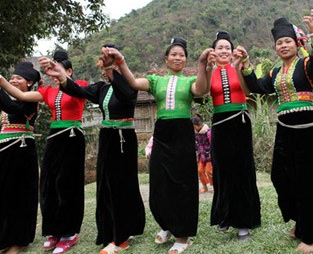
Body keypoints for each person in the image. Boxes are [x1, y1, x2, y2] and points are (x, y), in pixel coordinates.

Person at [101, 37, 212, 254]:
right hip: (161, 133)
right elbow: (133, 83)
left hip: (181, 133)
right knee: (160, 182)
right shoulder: (155, 80)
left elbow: (201, 89)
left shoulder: (188, 81)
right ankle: (167, 225)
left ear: (186, 59)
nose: (177, 57)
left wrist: (202, 65)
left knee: (183, 183)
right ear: (166, 59)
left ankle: (182, 235)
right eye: (174, 54)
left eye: (182, 55)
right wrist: (120, 61)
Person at [235, 18, 313, 253]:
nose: (283, 45)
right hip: (284, 127)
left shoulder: (306, 64)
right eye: (279, 42)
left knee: (308, 178)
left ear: (295, 42)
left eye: (287, 41)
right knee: (281, 175)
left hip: (306, 126)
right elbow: (257, 87)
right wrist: (246, 63)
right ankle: (300, 220)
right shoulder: (275, 71)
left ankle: (309, 235)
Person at [41, 43, 146, 254]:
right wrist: (61, 75)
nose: (104, 69)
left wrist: (114, 66)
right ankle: (114, 230)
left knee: (122, 186)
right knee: (105, 187)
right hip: (107, 138)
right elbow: (76, 90)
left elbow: (125, 95)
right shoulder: (100, 88)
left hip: (124, 138)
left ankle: (122, 238)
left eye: (109, 65)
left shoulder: (129, 86)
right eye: (103, 65)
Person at [0, 50, 88, 254]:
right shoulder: (48, 92)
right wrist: (3, 82)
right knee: (48, 184)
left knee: (68, 184)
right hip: (54, 136)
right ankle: (54, 231)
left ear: (69, 71)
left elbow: (75, 91)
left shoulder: (79, 86)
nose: (54, 74)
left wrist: (62, 76)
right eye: (50, 71)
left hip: (72, 134)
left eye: (59, 70)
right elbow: (20, 96)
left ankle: (69, 233)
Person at [204, 30, 261, 241]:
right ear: (214, 51)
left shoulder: (238, 67)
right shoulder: (210, 70)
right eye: (220, 47)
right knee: (222, 169)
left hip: (240, 121)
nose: (224, 50)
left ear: (232, 50)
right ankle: (224, 217)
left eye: (227, 47)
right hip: (219, 123)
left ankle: (244, 223)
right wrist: (206, 68)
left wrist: (240, 67)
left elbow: (247, 91)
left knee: (242, 170)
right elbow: (201, 93)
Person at [0, 62, 41, 254]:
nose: (14, 80)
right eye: (12, 77)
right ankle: (4, 238)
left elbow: (11, 107)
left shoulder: (31, 99)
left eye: (19, 78)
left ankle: (19, 240)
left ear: (30, 83)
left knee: (20, 196)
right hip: (4, 149)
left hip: (22, 150)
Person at [191, 114, 213, 194]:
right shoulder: (196, 133)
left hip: (209, 155)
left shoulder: (208, 132)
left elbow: (212, 144)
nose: (193, 128)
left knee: (209, 171)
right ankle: (205, 187)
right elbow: (196, 144)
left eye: (194, 126)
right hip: (201, 155)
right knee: (200, 170)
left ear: (199, 125)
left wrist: (212, 153)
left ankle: (215, 186)